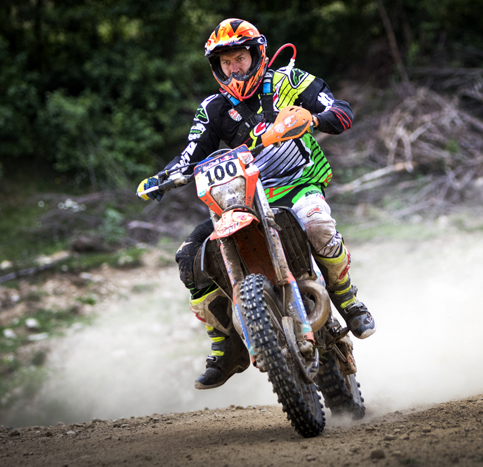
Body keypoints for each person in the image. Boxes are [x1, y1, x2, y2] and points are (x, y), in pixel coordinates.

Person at [137, 18, 375, 390]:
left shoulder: (288, 81)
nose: (234, 69)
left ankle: (347, 298)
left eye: (240, 59)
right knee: (189, 257)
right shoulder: (213, 108)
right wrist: (162, 178)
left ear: (256, 55)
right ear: (217, 67)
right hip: (244, 198)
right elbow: (190, 154)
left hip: (299, 184)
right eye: (226, 62)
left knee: (317, 223)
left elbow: (340, 111)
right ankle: (226, 346)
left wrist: (312, 119)